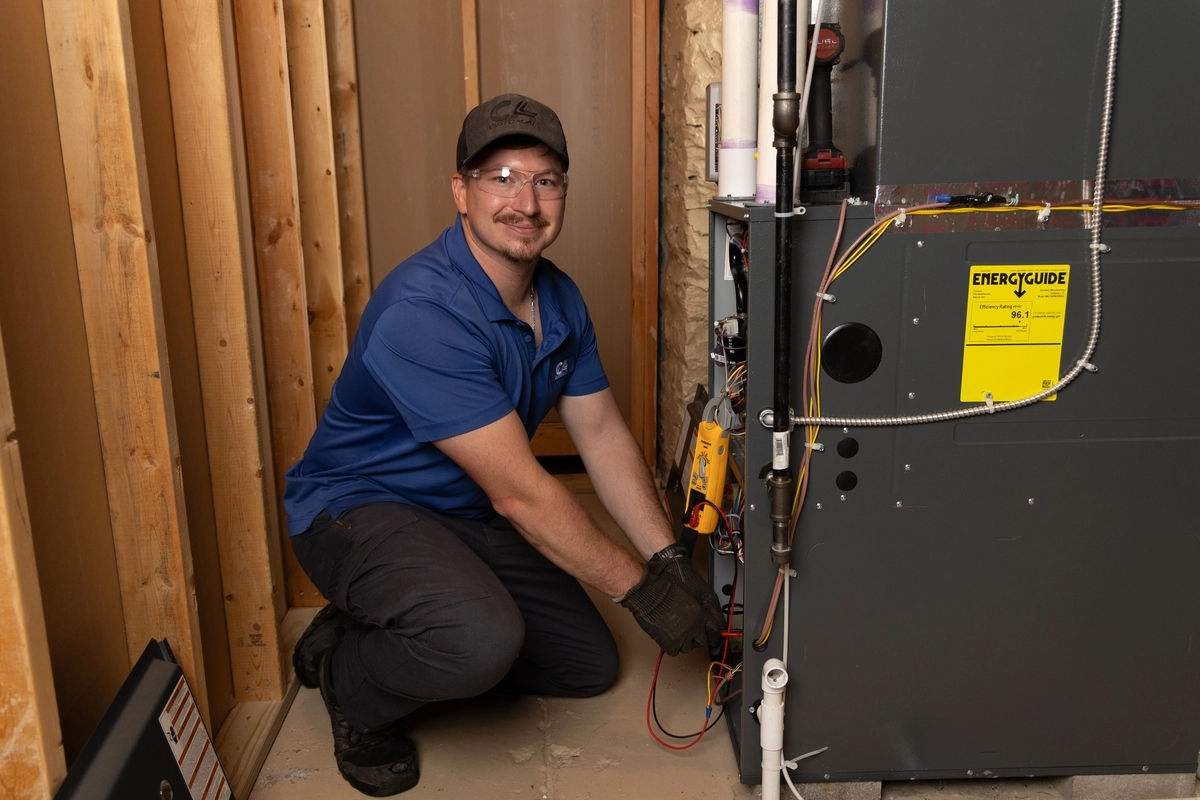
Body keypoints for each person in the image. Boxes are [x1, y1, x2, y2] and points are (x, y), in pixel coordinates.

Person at [283, 93, 724, 796]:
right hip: (358, 510)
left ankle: (389, 616)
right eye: (502, 177)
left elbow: (602, 434)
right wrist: (644, 593)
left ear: (563, 194)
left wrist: (664, 556)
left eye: (545, 180)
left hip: (463, 513)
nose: (526, 201)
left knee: (584, 665)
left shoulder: (560, 300)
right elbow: (521, 493)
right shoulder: (421, 314)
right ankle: (355, 685)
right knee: (477, 642)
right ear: (461, 191)